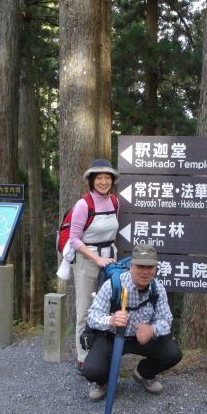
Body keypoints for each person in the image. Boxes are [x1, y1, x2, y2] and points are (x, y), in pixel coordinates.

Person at [83, 244, 183, 401]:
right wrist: (111, 320)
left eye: (150, 267)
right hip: (112, 337)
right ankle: (103, 382)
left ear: (156, 268)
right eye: (140, 266)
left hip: (140, 338)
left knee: (173, 353)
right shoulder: (113, 285)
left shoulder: (158, 289)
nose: (145, 271)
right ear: (131, 266)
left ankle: (143, 373)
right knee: (92, 370)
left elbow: (166, 319)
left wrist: (152, 330)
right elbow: (92, 316)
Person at [67, 158, 120, 375]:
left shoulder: (115, 202)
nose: (104, 181)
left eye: (107, 177)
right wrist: (96, 258)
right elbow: (74, 239)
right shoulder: (83, 204)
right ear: (91, 180)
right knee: (85, 307)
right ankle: (83, 356)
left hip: (110, 260)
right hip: (87, 261)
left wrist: (108, 258)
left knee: (108, 307)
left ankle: (101, 353)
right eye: (99, 178)